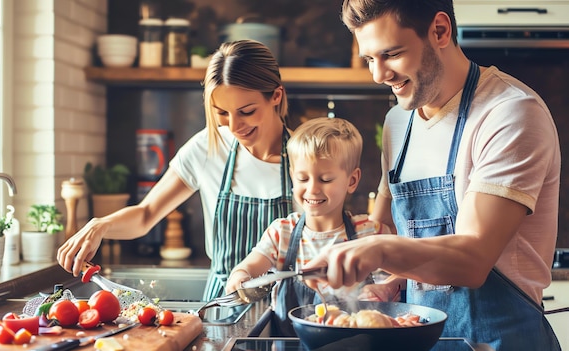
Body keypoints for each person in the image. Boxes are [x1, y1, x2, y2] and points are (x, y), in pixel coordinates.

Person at [302, 1, 562, 350]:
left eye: (391, 54)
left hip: (501, 341)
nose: (378, 75)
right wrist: (392, 283)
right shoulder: (399, 122)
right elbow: (412, 250)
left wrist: (377, 249)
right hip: (425, 341)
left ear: (440, 30)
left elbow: (472, 260)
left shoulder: (509, 113)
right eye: (369, 60)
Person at [57, 39, 296, 301]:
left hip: (285, 307)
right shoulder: (207, 148)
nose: (235, 126)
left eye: (246, 111)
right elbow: (146, 214)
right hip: (224, 305)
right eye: (222, 113)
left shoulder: (306, 157)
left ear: (276, 95)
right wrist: (100, 225)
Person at [226, 117, 390, 336]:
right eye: (303, 179)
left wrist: (384, 288)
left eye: (325, 179)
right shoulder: (281, 233)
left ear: (352, 180)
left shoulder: (369, 232)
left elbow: (404, 276)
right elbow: (247, 268)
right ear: (293, 177)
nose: (312, 189)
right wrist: (239, 278)